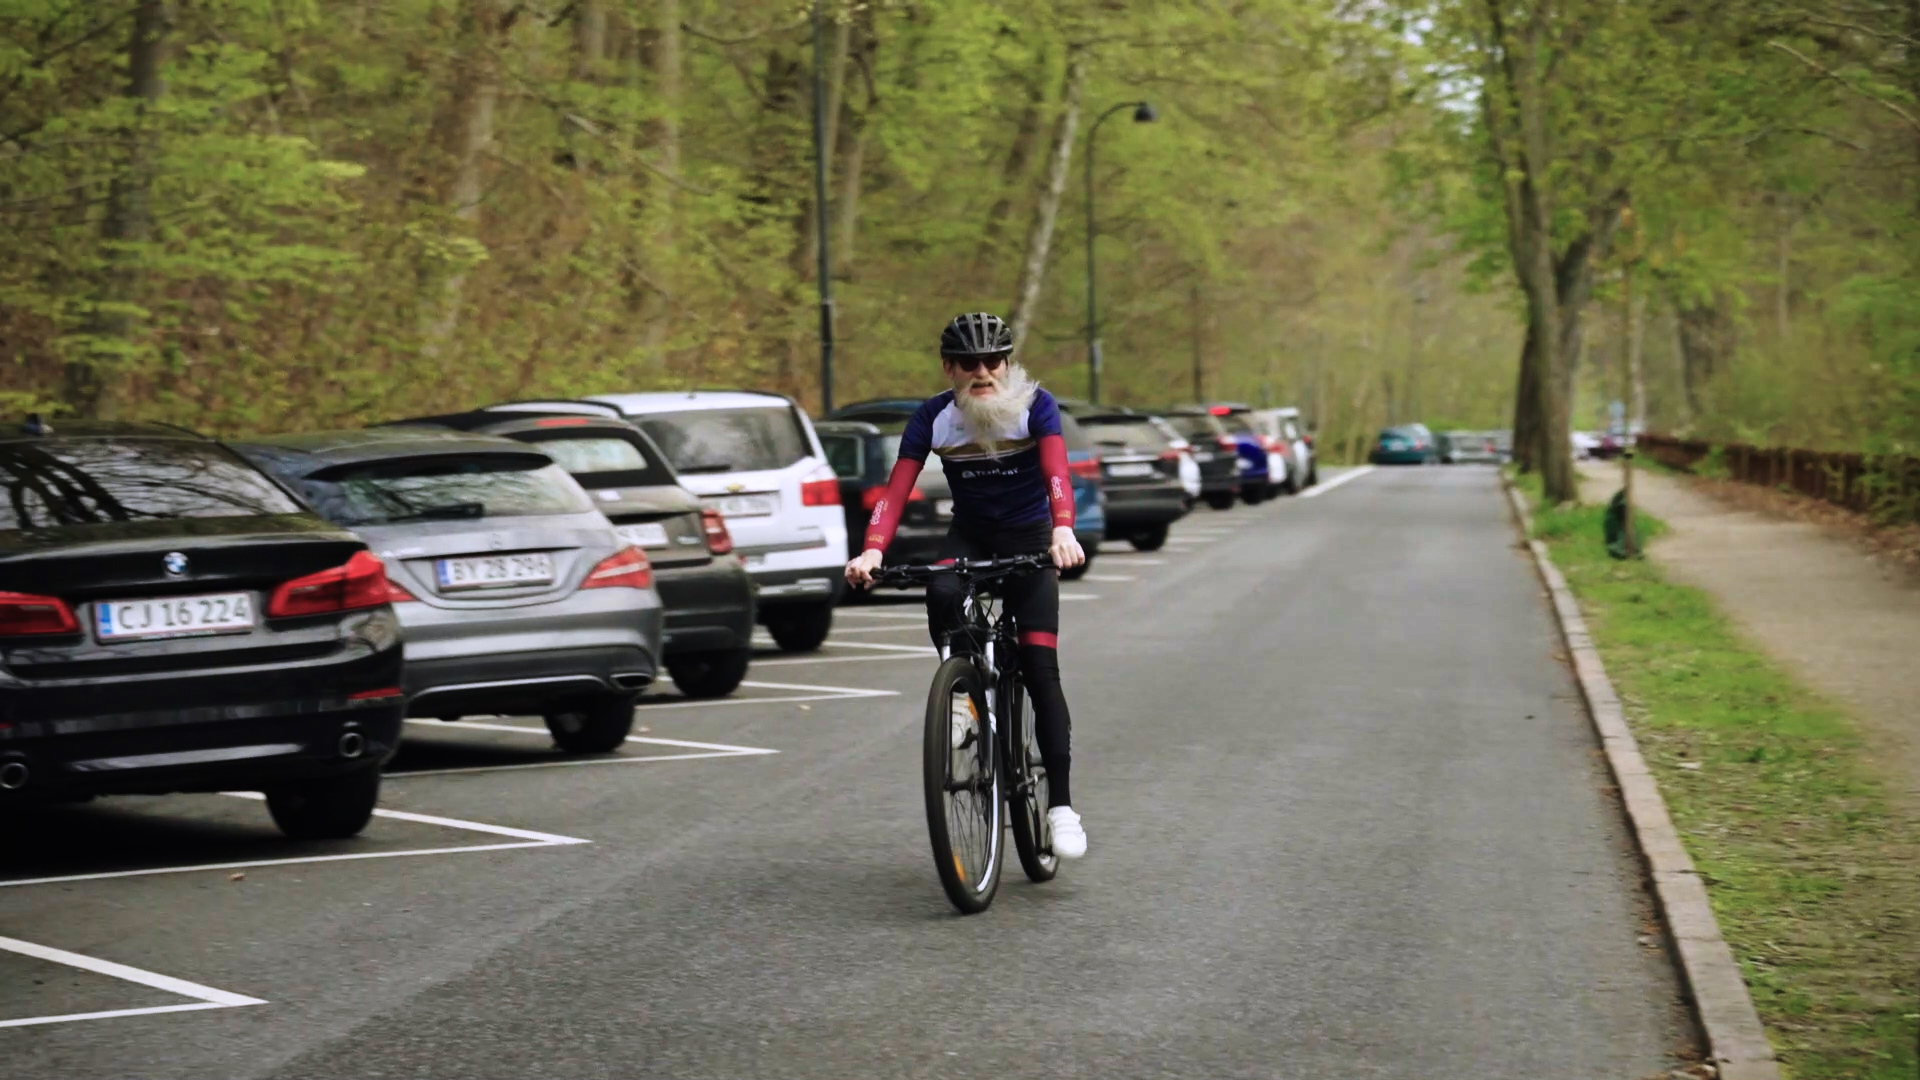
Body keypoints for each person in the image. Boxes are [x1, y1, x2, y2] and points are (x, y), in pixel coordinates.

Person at [845, 312, 1089, 859]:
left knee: (1040, 665)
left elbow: (1056, 473)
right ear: (950, 368)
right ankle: (964, 697)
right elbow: (895, 490)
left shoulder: (1035, 406)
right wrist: (872, 550)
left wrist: (1064, 529)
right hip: (973, 536)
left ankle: (1062, 808)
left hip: (1032, 538)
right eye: (969, 364)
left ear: (1006, 363)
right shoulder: (933, 418)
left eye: (992, 361)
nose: (983, 372)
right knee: (941, 587)